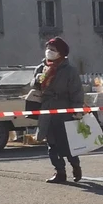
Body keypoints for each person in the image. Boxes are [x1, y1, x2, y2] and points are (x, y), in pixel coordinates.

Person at [27, 37, 85, 184]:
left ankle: (75, 165)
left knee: (66, 143)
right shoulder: (41, 67)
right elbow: (33, 86)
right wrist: (37, 80)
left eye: (53, 50)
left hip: (64, 110)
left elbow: (77, 92)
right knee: (51, 143)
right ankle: (59, 172)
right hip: (46, 109)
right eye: (48, 49)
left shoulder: (69, 71)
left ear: (61, 53)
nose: (49, 52)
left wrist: (77, 110)